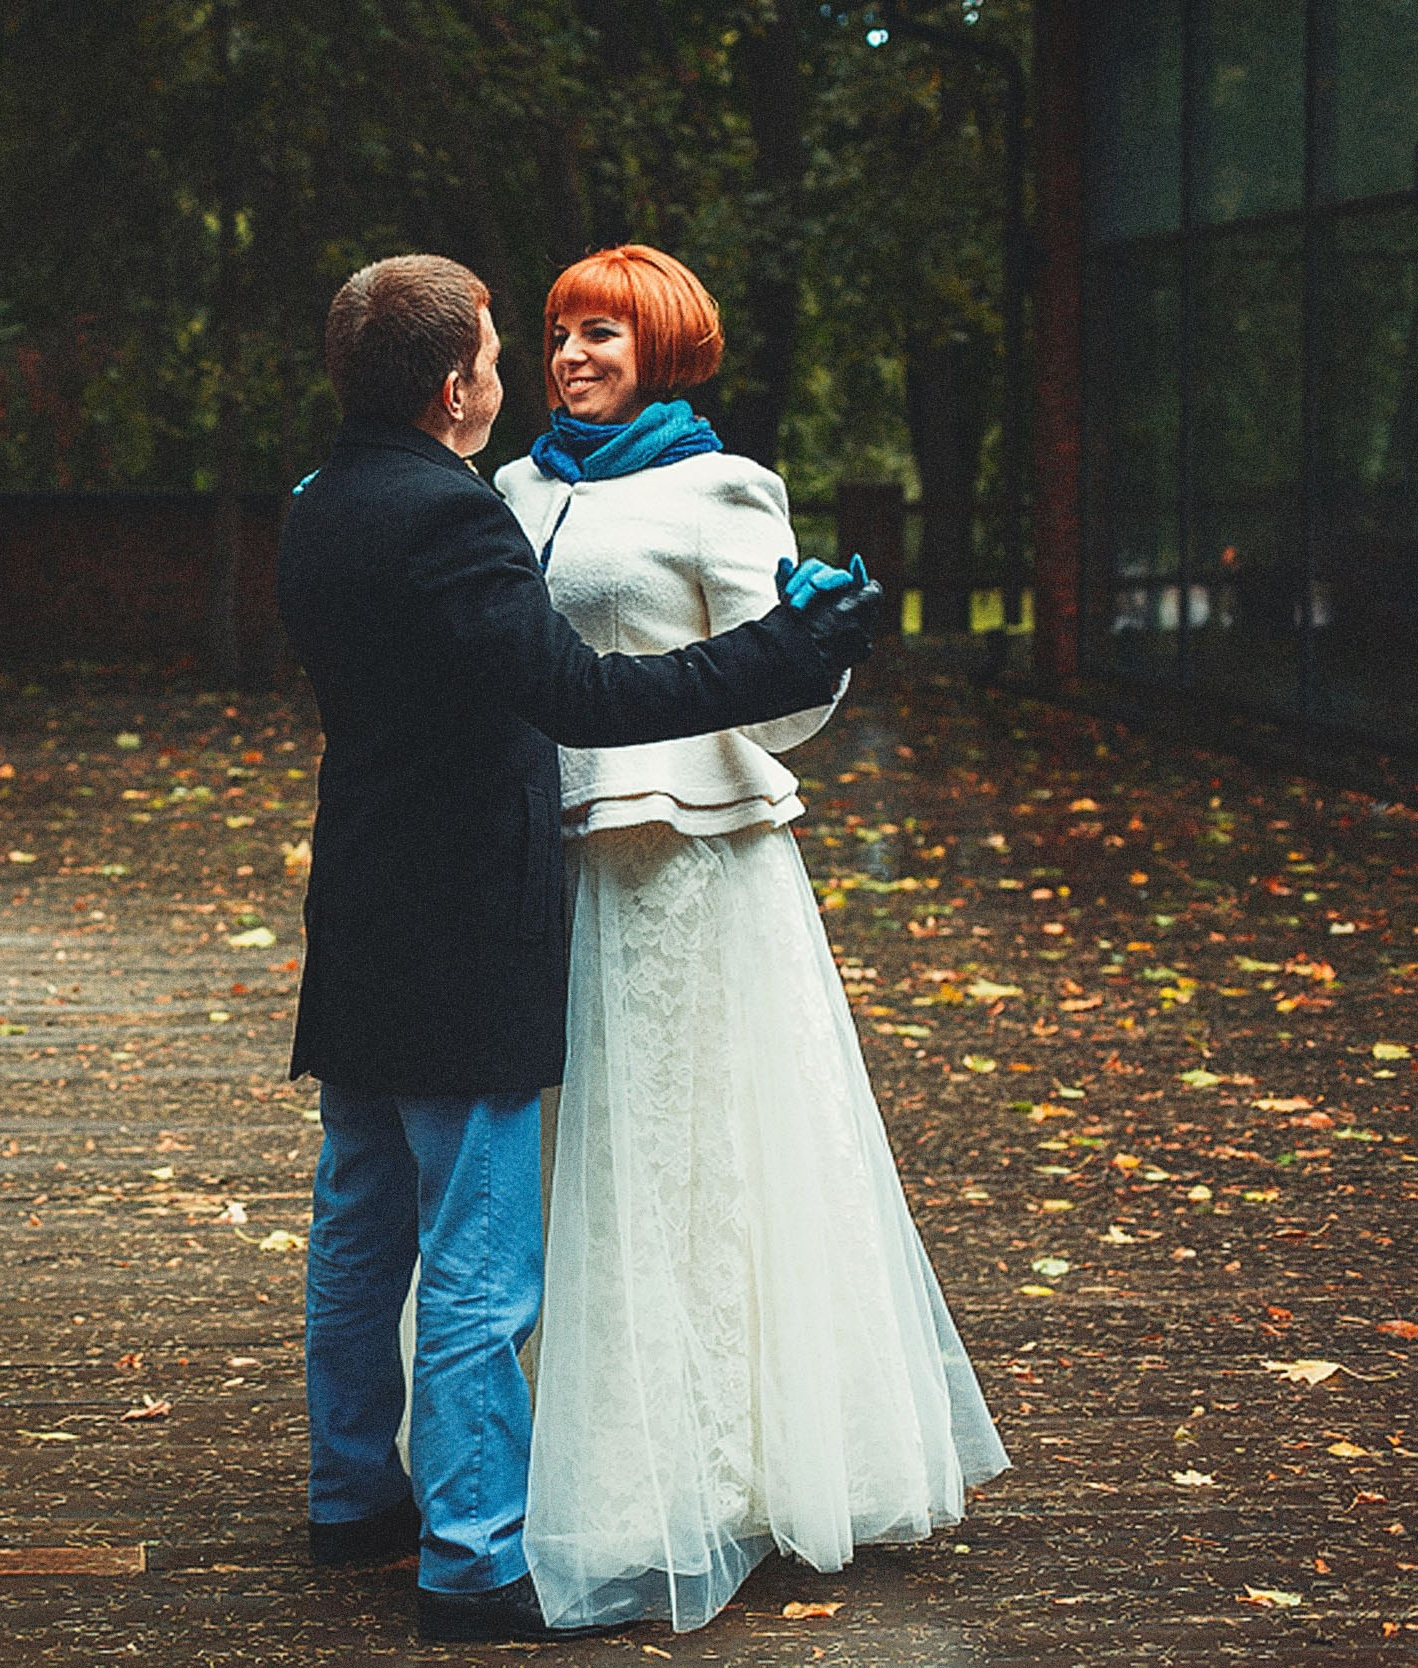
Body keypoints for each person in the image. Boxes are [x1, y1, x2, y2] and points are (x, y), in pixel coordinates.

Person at [278, 253, 881, 1645]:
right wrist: (791, 647)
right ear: (454, 387)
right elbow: (580, 697)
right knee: (481, 1253)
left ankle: (347, 1493)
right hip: (465, 914)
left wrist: (789, 659)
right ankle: (472, 1558)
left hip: (363, 899)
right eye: (512, 348)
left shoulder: (319, 503)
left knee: (359, 1220)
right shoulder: (465, 511)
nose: (534, 366)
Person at [493, 244, 1009, 1633]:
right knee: (561, 1148)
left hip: (688, 864)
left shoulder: (721, 488)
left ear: (661, 349)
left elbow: (781, 705)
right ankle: (559, 1448)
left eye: (601, 334)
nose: (571, 357)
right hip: (546, 859)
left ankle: (719, 1467)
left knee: (687, 1146)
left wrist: (818, 641)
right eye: (558, 333)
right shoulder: (513, 490)